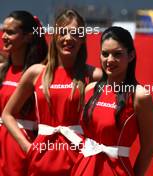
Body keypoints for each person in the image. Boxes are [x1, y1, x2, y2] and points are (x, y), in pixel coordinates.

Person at [2, 9, 101, 175]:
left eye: (75, 33)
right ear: (55, 36)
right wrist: (28, 147)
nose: (68, 38)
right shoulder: (36, 72)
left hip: (78, 157)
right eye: (62, 33)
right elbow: (7, 114)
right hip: (42, 158)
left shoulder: (94, 75)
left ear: (83, 38)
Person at [71, 26, 153, 176]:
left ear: (130, 56)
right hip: (83, 168)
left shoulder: (140, 96)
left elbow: (148, 149)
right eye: (105, 54)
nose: (109, 60)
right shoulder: (90, 89)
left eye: (117, 54)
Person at [0, 10, 48, 175]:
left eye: (11, 32)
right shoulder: (2, 71)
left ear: (28, 36)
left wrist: (30, 148)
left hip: (23, 145)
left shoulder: (40, 73)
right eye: (3, 31)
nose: (4, 36)